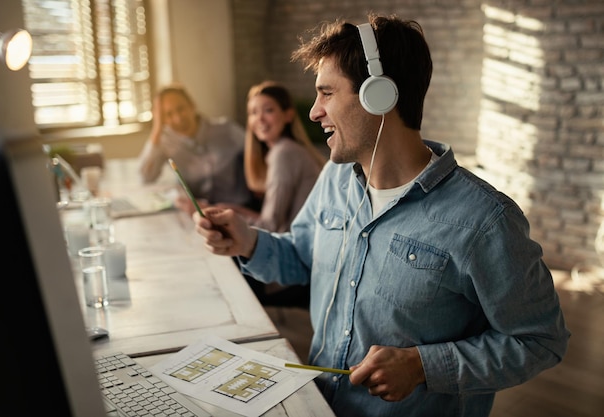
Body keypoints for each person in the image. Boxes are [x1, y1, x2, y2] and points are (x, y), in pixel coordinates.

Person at [191, 13, 570, 417]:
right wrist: (247, 241)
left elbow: (540, 340)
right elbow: (304, 258)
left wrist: (422, 366)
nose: (314, 112)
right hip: (319, 404)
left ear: (379, 95)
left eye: (327, 94)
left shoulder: (485, 220)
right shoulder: (335, 180)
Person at [223, 80, 326, 307]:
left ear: (288, 115)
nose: (259, 119)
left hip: (296, 268)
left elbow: (270, 226)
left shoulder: (284, 154)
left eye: (268, 110)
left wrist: (231, 214)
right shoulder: (283, 151)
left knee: (223, 276)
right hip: (300, 258)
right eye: (253, 112)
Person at [138, 83, 258, 213]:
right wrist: (157, 129)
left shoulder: (227, 130)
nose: (177, 118)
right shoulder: (166, 143)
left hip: (240, 210)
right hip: (200, 214)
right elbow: (146, 177)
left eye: (180, 109)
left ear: (191, 104)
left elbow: (260, 153)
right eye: (168, 114)